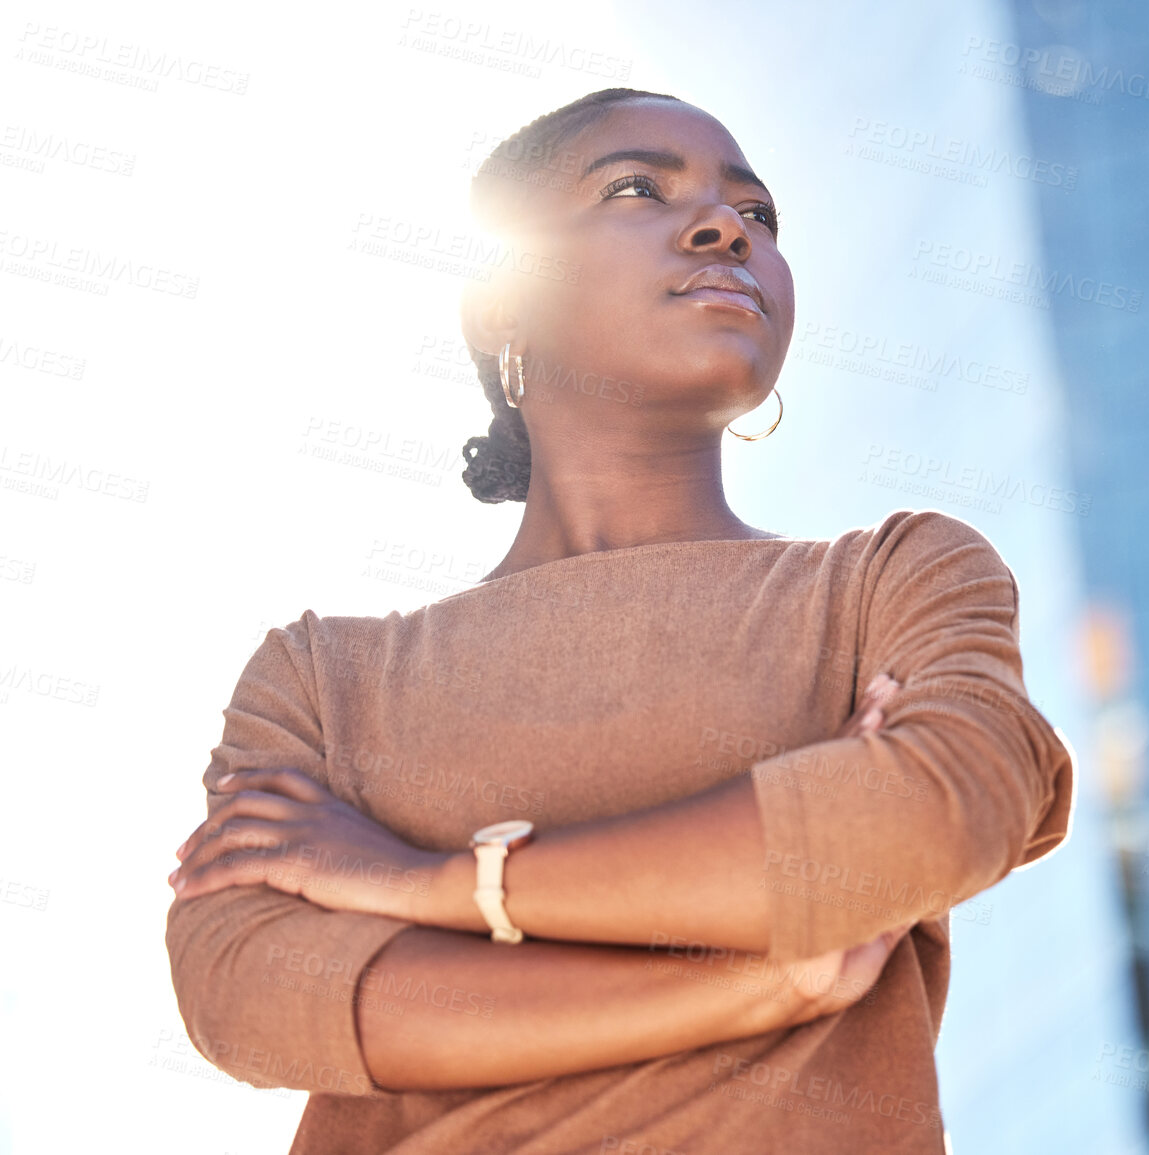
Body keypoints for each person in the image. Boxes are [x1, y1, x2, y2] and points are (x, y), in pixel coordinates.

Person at [163, 87, 1074, 1155]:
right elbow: (247, 997)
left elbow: (937, 813)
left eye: (760, 215)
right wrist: (758, 987)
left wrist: (428, 884)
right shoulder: (320, 678)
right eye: (637, 187)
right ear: (504, 302)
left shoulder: (897, 577)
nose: (728, 227)